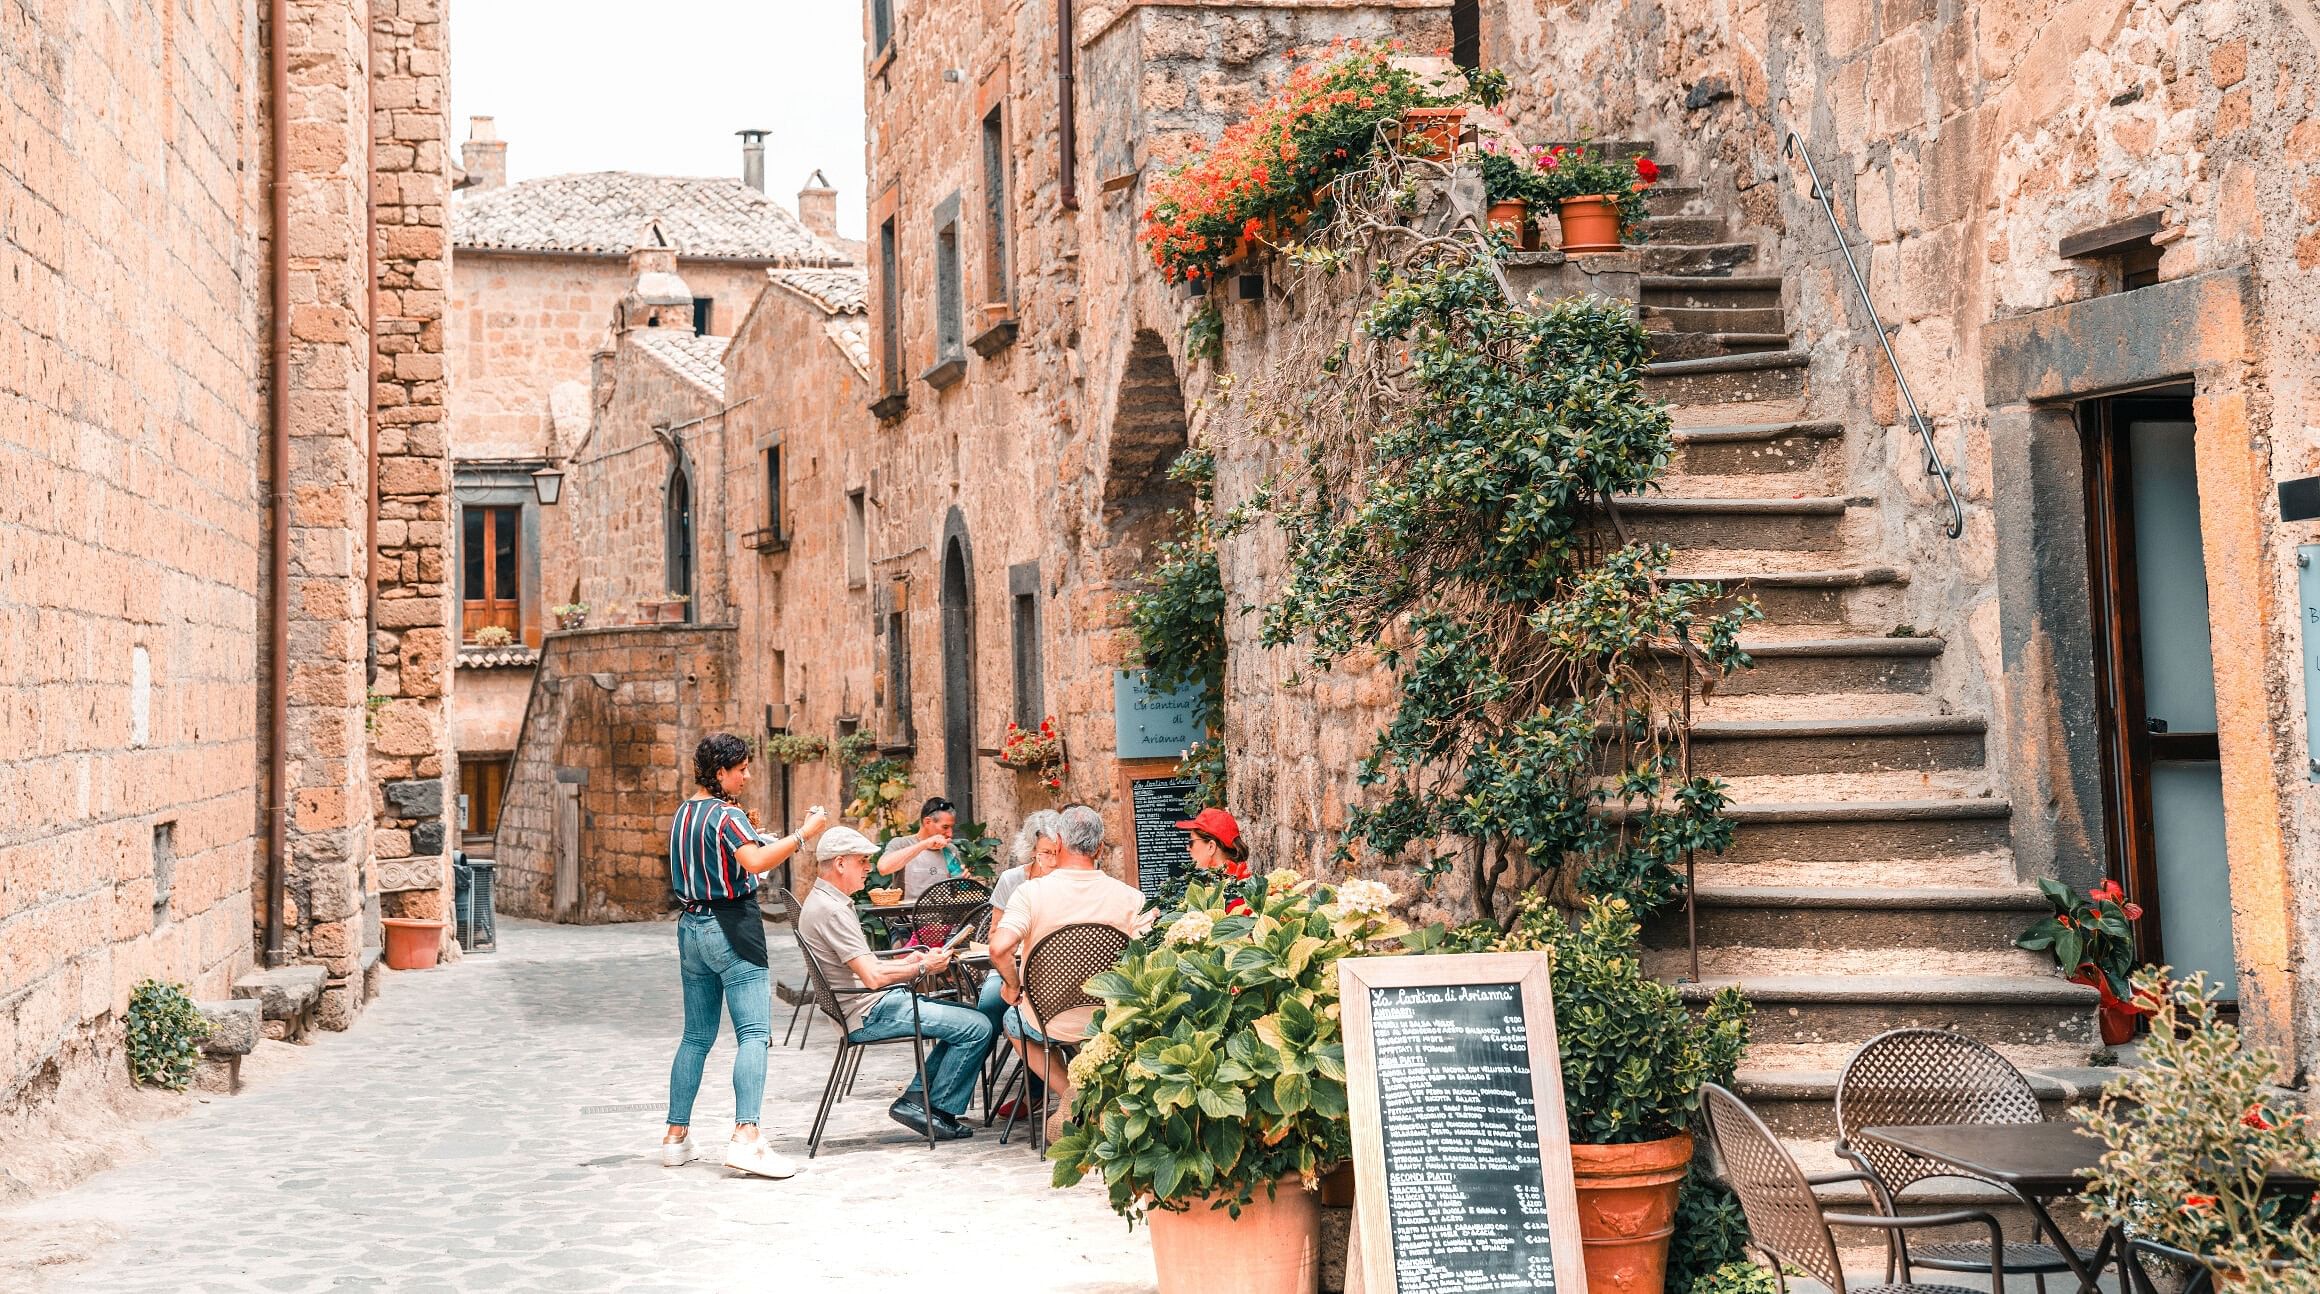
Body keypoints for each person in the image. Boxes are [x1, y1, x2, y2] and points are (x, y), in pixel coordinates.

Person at [661, 734, 827, 1180]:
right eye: (741, 769)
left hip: (691, 929)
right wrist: (802, 836)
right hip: (731, 926)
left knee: (695, 1037)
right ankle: (746, 1136)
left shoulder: (683, 813)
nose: (747, 776)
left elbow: (709, 861)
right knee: (754, 1034)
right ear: (720, 772)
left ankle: (676, 1136)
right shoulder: (726, 814)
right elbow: (753, 863)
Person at [800, 824, 996, 1142]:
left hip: (864, 1003)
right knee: (978, 1026)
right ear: (840, 863)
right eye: (862, 861)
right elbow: (872, 977)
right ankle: (937, 1110)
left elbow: (862, 964)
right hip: (868, 1011)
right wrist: (922, 966)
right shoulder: (833, 910)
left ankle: (918, 1102)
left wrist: (905, 961)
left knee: (964, 1022)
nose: (868, 869)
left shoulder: (824, 901)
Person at [989, 804, 1151, 1138]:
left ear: (1059, 842)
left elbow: (998, 947)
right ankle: (1094, 1100)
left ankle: (1071, 1097)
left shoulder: (1030, 893)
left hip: (1047, 1020)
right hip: (1107, 1019)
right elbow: (1146, 959)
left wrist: (1011, 985)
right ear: (1101, 847)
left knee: (1011, 1022)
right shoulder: (1131, 899)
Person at [979, 810, 1063, 1118]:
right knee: (990, 1001)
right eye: (1045, 853)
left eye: (1058, 853)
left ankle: (1036, 1090)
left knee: (1039, 1010)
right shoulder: (1012, 880)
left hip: (1051, 970)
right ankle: (975, 1071)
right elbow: (994, 935)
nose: (1053, 861)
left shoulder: (1069, 880)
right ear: (1031, 851)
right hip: (1011, 965)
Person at [877, 796, 959, 900]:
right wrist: (924, 844)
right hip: (907, 915)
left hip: (944, 915)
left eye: (952, 828)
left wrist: (962, 881)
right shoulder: (901, 844)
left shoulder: (950, 850)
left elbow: (956, 890)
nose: (950, 834)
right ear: (927, 822)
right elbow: (883, 868)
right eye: (945, 827)